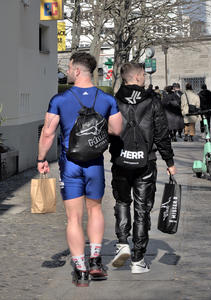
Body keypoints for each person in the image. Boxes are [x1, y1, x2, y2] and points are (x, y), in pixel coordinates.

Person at [37, 52, 122, 287]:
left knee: (74, 217)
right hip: (95, 163)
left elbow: (47, 133)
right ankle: (96, 261)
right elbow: (116, 129)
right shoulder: (107, 99)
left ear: (76, 70)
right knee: (95, 210)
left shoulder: (60, 99)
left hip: (70, 165)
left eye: (69, 66)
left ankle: (81, 271)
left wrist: (41, 158)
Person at [109, 62, 177, 274]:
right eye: (144, 76)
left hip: (120, 160)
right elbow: (161, 134)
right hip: (145, 162)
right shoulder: (152, 101)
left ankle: (122, 243)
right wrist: (170, 162)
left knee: (121, 201)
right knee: (142, 209)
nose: (146, 79)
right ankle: (138, 259)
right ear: (138, 77)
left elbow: (107, 129)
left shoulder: (113, 101)